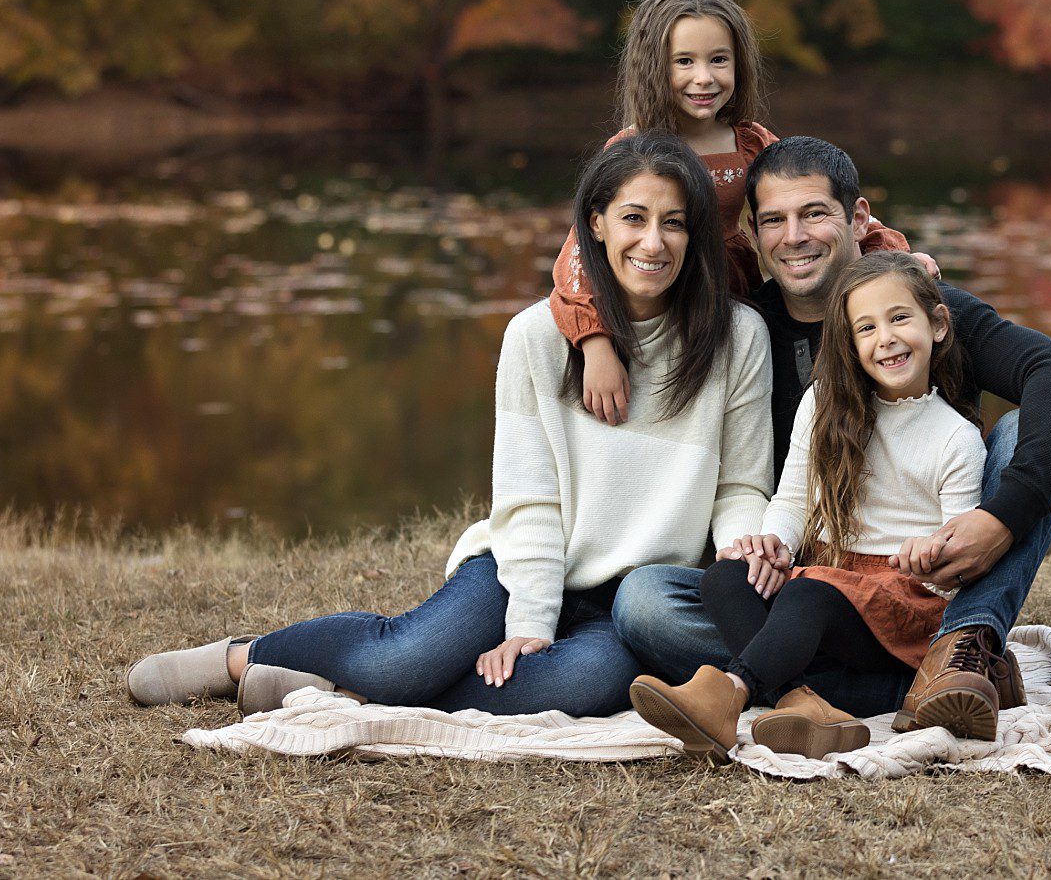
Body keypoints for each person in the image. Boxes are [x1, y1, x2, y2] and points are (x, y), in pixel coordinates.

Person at [125, 133, 774, 718]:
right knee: (402, 657)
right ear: (596, 225)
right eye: (634, 218)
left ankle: (339, 694)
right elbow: (529, 497)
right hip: (517, 563)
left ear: (697, 236)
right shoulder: (536, 337)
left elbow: (741, 486)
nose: (653, 242)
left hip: (625, 597)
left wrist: (737, 559)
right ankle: (242, 657)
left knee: (591, 683)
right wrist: (530, 619)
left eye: (675, 224)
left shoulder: (738, 339)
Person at [613, 137, 1051, 740]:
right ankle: (826, 697)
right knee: (646, 601)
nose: (794, 236)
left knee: (1035, 433)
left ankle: (962, 647)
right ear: (756, 233)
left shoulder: (926, 310)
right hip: (809, 566)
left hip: (917, 578)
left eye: (815, 213)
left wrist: (1000, 518)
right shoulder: (746, 327)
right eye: (774, 220)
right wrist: (589, 336)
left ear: (859, 219)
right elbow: (626, 269)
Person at [629, 252, 986, 762]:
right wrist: (773, 546)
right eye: (866, 327)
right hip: (827, 581)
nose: (884, 338)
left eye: (899, 318)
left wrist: (930, 556)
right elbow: (793, 499)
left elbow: (957, 562)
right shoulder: (822, 403)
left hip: (902, 603)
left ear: (938, 324)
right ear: (851, 342)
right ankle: (805, 702)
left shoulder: (956, 439)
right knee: (726, 578)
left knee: (809, 595)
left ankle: (731, 694)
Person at [550, 0, 935, 426]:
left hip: (730, 297)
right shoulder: (633, 152)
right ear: (653, 67)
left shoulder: (749, 143)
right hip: (657, 293)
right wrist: (594, 342)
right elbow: (577, 260)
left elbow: (822, 203)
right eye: (684, 62)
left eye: (718, 60)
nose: (704, 77)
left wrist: (894, 260)